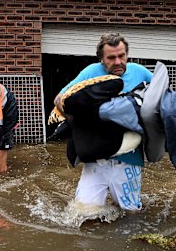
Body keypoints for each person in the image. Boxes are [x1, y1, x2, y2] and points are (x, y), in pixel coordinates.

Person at [54, 32, 153, 211]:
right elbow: (60, 99)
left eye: (121, 56)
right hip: (96, 159)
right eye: (111, 58)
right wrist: (81, 123)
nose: (117, 62)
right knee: (82, 213)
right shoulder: (91, 72)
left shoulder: (140, 72)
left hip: (129, 160)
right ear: (101, 59)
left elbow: (164, 97)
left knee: (131, 215)